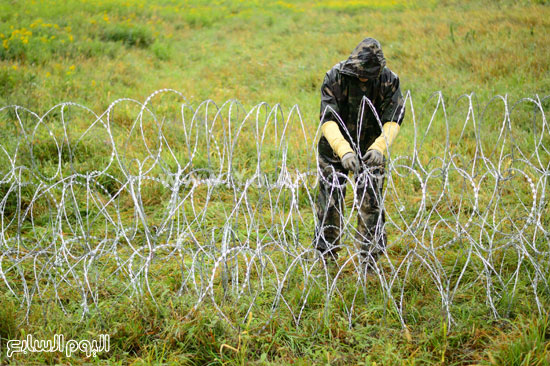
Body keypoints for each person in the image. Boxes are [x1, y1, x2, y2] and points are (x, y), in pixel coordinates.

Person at [314, 37, 405, 267]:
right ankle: (326, 256)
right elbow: (328, 120)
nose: (364, 78)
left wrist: (379, 148)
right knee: (330, 203)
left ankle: (370, 258)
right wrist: (344, 151)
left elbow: (393, 119)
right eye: (360, 74)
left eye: (368, 75)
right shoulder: (335, 77)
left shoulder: (389, 81)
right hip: (334, 150)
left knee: (370, 202)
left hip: (370, 149)